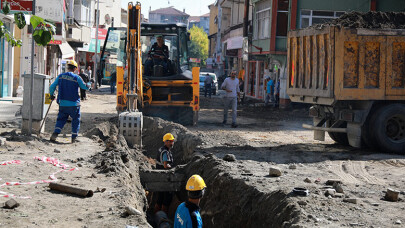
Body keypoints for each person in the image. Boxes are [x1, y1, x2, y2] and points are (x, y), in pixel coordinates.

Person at [49, 60, 92, 143]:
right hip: (74, 104)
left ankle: (55, 133)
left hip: (63, 103)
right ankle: (74, 137)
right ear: (75, 69)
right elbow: (85, 87)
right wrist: (90, 83)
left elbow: (52, 87)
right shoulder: (77, 78)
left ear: (67, 67)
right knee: (75, 120)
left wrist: (51, 94)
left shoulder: (60, 76)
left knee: (61, 119)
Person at [154, 133, 175, 214]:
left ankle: (156, 214)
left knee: (160, 196)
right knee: (167, 196)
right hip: (164, 177)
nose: (172, 143)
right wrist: (173, 169)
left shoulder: (161, 149)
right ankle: (163, 215)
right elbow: (166, 165)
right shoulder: (165, 152)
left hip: (160, 176)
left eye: (172, 141)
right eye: (170, 141)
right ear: (166, 142)